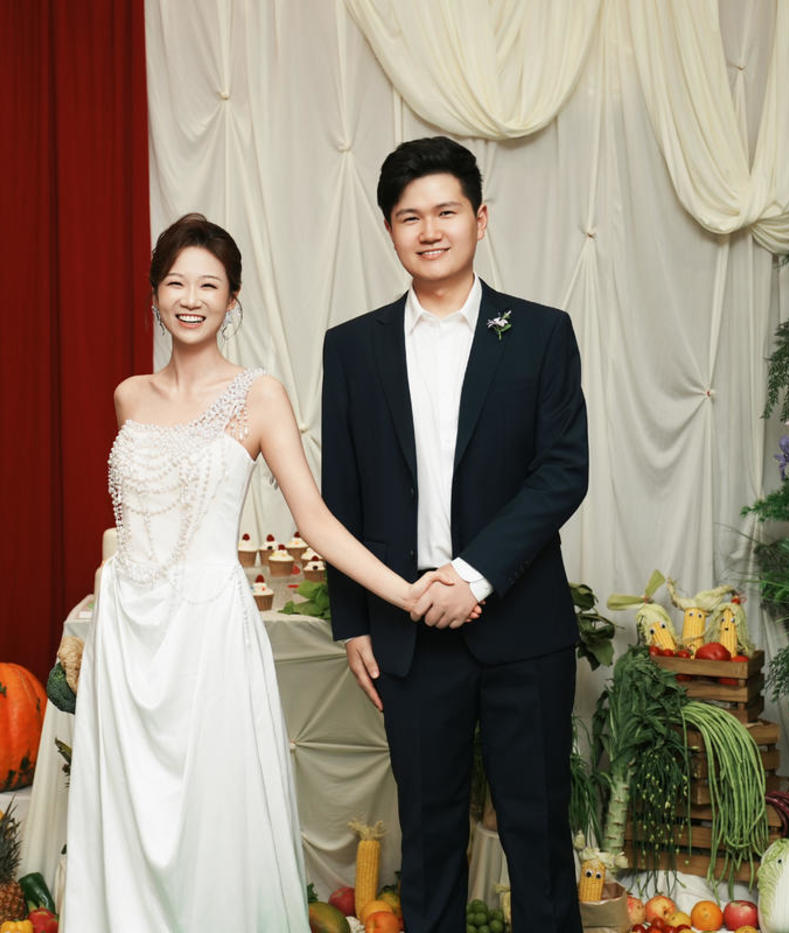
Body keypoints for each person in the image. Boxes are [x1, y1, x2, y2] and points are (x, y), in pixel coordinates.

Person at [62, 212, 472, 931]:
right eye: (176, 283)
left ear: (233, 298)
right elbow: (131, 524)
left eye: (209, 284)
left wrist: (408, 594)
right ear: (155, 295)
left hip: (208, 634)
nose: (192, 298)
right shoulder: (130, 395)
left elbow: (314, 520)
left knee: (212, 815)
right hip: (127, 638)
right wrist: (93, 617)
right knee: (129, 812)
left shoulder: (259, 394)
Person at [321, 137, 589, 932]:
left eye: (446, 211)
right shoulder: (353, 346)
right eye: (410, 217)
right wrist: (352, 621)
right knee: (429, 838)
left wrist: (471, 575)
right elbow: (341, 494)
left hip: (522, 625)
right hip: (405, 629)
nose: (429, 230)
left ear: (480, 218)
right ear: (389, 229)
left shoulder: (540, 332)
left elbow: (561, 472)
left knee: (538, 836)